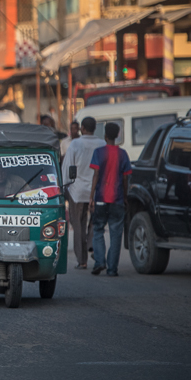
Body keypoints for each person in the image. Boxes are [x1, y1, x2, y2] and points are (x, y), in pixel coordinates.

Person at [62, 117, 106, 269]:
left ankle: (82, 260)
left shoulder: (75, 144)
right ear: (94, 128)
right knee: (96, 222)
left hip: (77, 191)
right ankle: (91, 244)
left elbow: (68, 167)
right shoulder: (102, 143)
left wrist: (64, 185)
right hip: (97, 191)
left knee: (78, 224)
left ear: (83, 129)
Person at [88, 122, 132, 276]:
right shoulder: (123, 154)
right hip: (117, 199)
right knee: (116, 234)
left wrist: (91, 198)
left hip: (100, 197)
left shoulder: (99, 152)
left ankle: (100, 262)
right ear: (117, 135)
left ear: (105, 136)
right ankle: (112, 269)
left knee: (98, 229)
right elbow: (126, 179)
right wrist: (125, 197)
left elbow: (96, 175)